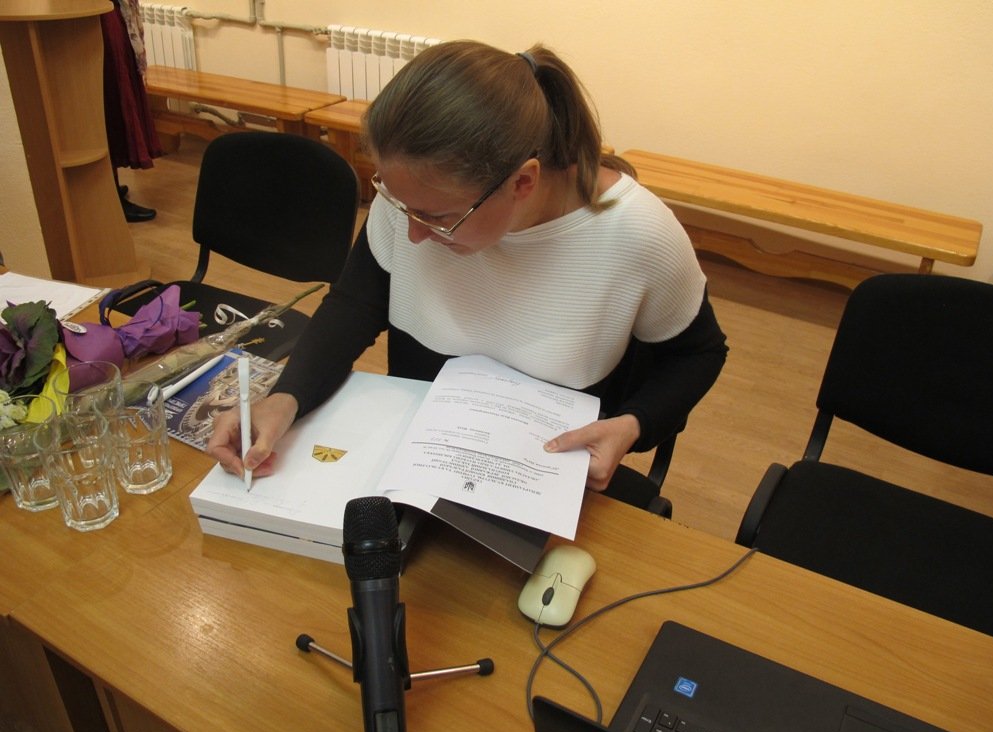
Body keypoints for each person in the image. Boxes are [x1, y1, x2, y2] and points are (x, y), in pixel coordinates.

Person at [208, 40, 727, 500]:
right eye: (396, 203)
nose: (413, 235)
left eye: (438, 218)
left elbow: (697, 354)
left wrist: (633, 425)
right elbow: (355, 303)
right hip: (415, 459)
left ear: (523, 182)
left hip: (537, 481)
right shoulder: (416, 196)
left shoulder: (637, 234)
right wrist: (286, 397)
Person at [101, 0, 162, 222]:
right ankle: (109, 196)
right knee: (111, 102)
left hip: (113, 11)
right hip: (98, 19)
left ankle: (110, 187)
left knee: (116, 98)